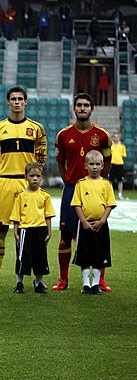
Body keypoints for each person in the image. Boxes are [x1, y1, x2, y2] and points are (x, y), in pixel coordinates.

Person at [0, 85, 47, 288]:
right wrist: (5, 172)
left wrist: (29, 177)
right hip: (5, 182)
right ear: (8, 102)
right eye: (13, 99)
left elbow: (42, 158)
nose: (17, 102)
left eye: (20, 99)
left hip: (26, 186)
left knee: (29, 233)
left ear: (25, 102)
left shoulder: (37, 129)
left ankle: (30, 278)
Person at [53, 92, 112, 291]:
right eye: (79, 105)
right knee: (65, 235)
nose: (82, 108)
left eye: (86, 105)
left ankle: (99, 281)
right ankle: (63, 279)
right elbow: (60, 163)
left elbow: (108, 161)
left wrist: (98, 183)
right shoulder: (64, 135)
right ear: (74, 108)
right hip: (71, 190)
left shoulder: (102, 136)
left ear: (91, 109)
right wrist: (70, 181)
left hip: (95, 192)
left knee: (96, 234)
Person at [72, 150, 116, 294]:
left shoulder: (106, 184)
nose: (95, 167)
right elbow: (77, 204)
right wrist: (83, 221)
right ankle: (86, 285)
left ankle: (96, 284)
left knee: (99, 255)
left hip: (101, 226)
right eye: (91, 164)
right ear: (85, 165)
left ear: (102, 165)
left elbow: (110, 204)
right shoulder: (81, 184)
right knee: (84, 256)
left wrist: (102, 221)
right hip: (85, 225)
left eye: (97, 164)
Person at [10, 162, 55, 294]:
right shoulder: (20, 195)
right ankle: (19, 283)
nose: (35, 178)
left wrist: (49, 231)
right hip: (25, 230)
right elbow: (16, 216)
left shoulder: (45, 195)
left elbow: (48, 215)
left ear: (41, 177)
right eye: (31, 176)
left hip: (40, 230)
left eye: (37, 176)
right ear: (26, 177)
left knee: (40, 257)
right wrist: (15, 232)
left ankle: (39, 282)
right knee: (23, 257)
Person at [110, 132, 127, 200]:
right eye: (115, 137)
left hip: (119, 164)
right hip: (112, 164)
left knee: (120, 180)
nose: (116, 138)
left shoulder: (122, 146)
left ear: (119, 138)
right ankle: (111, 195)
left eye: (117, 137)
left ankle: (120, 194)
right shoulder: (111, 145)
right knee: (111, 180)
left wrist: (121, 162)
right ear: (113, 138)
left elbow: (124, 156)